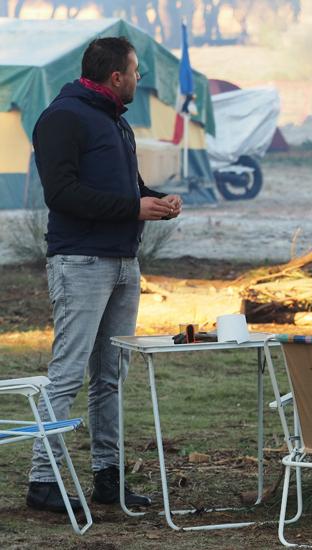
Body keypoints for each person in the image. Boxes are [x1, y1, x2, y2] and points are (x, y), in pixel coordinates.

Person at [27, 37, 181, 513]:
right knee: (69, 373)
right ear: (117, 76)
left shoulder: (116, 122)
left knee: (111, 374)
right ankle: (42, 478)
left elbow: (126, 188)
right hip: (80, 262)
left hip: (122, 262)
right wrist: (133, 207)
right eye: (136, 71)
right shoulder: (62, 118)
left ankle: (107, 476)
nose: (139, 79)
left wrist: (153, 199)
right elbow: (63, 193)